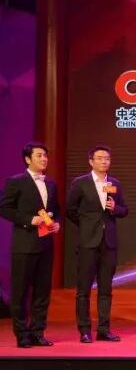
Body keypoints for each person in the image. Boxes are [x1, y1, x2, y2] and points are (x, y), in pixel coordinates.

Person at [0, 142, 61, 348]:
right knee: (20, 292)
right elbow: (4, 208)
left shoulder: (50, 183)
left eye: (45, 155)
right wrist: (29, 220)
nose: (44, 159)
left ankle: (38, 332)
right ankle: (22, 334)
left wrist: (56, 223)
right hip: (24, 245)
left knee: (42, 292)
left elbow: (56, 210)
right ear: (28, 159)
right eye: (39, 155)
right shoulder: (16, 181)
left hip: (46, 244)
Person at [66, 145, 128, 343]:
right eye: (100, 158)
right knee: (83, 290)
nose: (104, 161)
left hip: (108, 243)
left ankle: (104, 329)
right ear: (91, 161)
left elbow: (124, 210)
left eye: (107, 158)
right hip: (88, 242)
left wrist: (115, 208)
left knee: (105, 289)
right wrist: (87, 225)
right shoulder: (80, 183)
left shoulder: (114, 183)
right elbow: (70, 210)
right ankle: (84, 330)